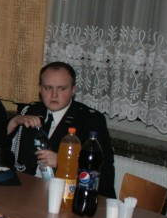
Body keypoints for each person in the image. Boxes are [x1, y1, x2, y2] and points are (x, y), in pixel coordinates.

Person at [8, 61, 116, 198]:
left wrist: (63, 162)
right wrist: (13, 122)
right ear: (40, 89)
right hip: (26, 192)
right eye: (48, 88)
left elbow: (104, 176)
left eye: (62, 89)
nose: (54, 95)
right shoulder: (30, 111)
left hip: (68, 196)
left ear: (73, 90)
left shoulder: (90, 120)